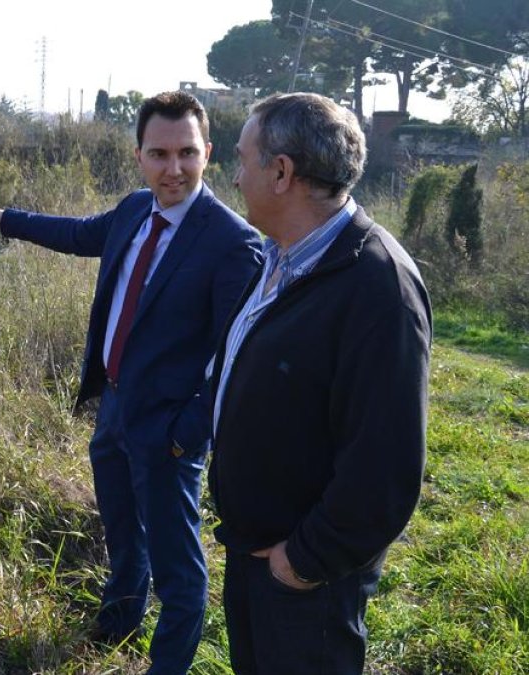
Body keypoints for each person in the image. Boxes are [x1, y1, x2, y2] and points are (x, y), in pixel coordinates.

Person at [0, 90, 261, 674]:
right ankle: (119, 623)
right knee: (124, 534)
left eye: (186, 154)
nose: (172, 169)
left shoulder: (231, 242)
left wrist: (186, 434)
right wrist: (6, 220)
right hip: (115, 408)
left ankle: (167, 665)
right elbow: (79, 234)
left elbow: (236, 360)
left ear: (209, 154)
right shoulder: (133, 210)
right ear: (139, 156)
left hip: (169, 429)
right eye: (159, 154)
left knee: (180, 571)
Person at [209, 92, 431, 674]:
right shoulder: (279, 255)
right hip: (256, 552)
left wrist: (302, 561)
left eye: (241, 159)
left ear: (281, 172)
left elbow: (385, 468)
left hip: (307, 578)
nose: (232, 176)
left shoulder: (378, 287)